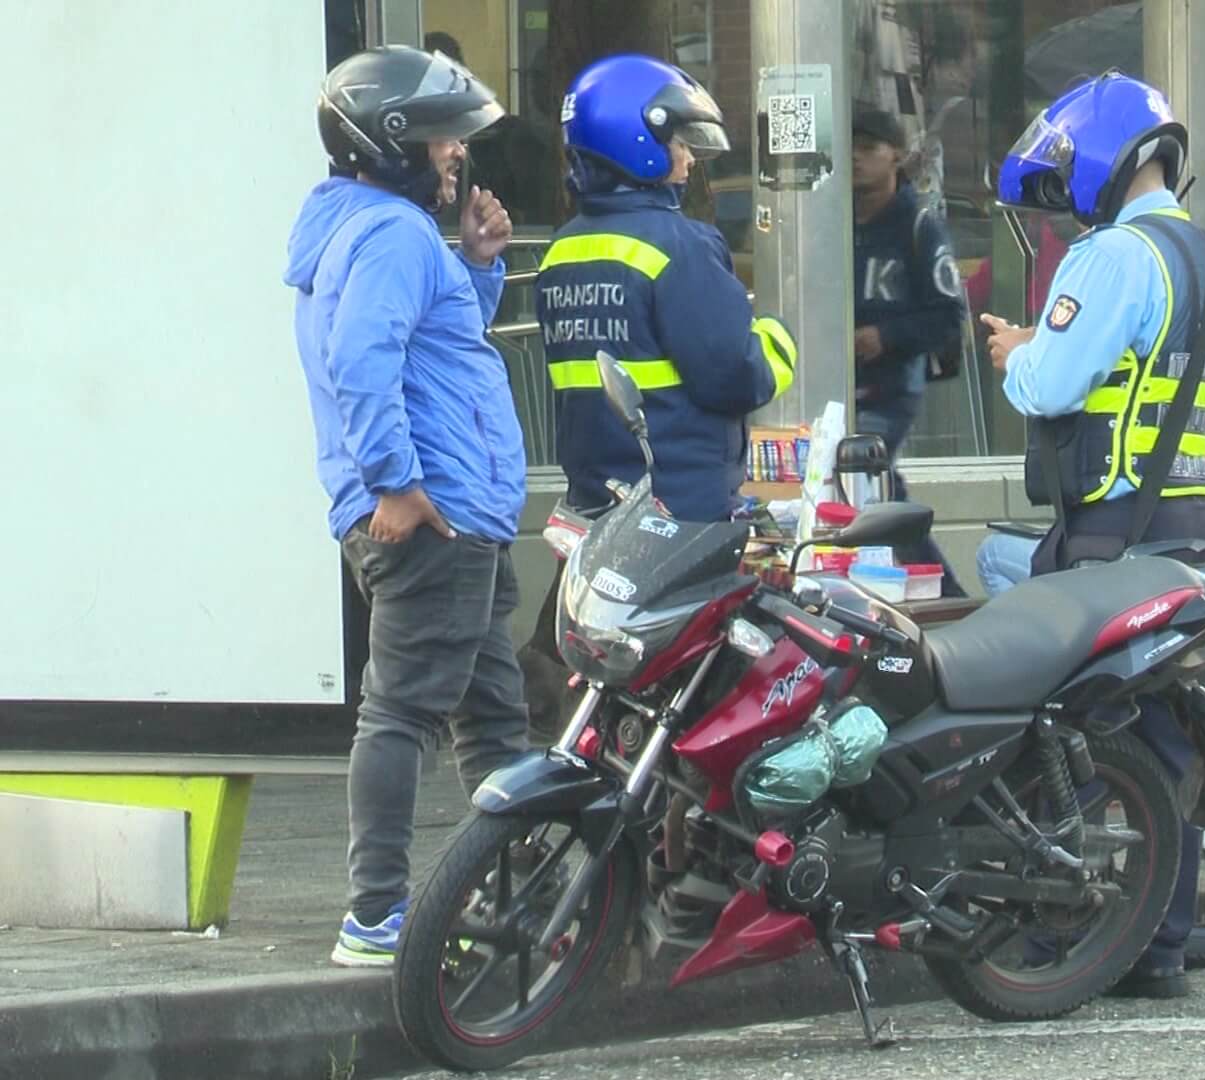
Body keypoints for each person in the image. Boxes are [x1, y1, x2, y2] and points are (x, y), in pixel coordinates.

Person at [981, 72, 1205, 999]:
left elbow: (1053, 386)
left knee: (1066, 741)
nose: (1062, 220)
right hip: (1191, 532)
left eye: (1062, 194)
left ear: (1101, 163)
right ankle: (1159, 946)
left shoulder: (1113, 258)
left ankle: (1065, 936)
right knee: (1163, 743)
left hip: (1108, 537)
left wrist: (1021, 352)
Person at [286, 45, 529, 967]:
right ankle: (375, 916)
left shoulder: (377, 229)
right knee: (401, 714)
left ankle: (524, 895)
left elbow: (431, 344)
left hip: (457, 513)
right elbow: (362, 360)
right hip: (431, 513)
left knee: (496, 721)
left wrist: (476, 265)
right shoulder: (388, 233)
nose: (453, 156)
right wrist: (396, 483)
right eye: (438, 140)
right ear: (390, 145)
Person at [517, 54, 798, 718]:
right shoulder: (680, 245)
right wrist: (777, 338)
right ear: (637, 140)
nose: (689, 159)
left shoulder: (563, 251)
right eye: (678, 141)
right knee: (700, 699)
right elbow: (735, 374)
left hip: (599, 502)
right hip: (682, 504)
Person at [977, 382, 1205, 596]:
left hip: (1152, 562)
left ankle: (1038, 662)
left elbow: (1047, 388)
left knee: (992, 553)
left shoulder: (1138, 399)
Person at [850, 107, 969, 593]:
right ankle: (933, 592)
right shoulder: (826, 223)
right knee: (874, 495)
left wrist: (884, 337)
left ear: (896, 156)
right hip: (834, 390)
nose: (857, 157)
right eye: (850, 146)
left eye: (870, 147)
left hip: (888, 391)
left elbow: (947, 315)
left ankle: (939, 592)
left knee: (861, 481)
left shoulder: (919, 226)